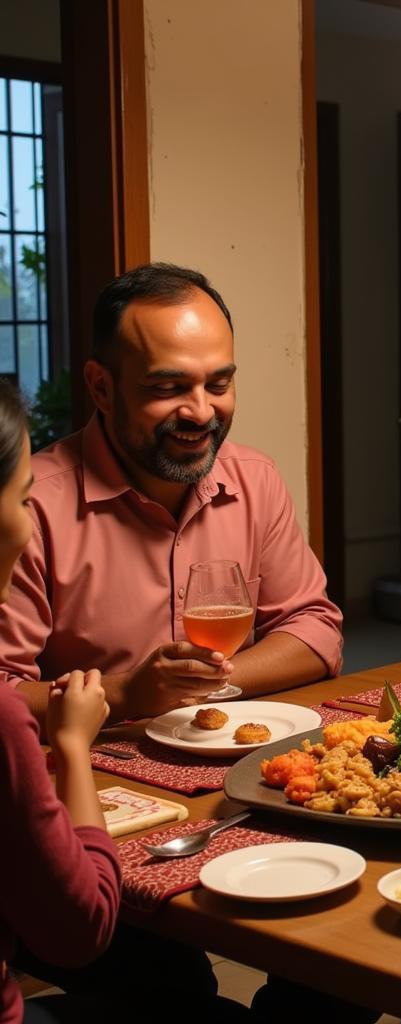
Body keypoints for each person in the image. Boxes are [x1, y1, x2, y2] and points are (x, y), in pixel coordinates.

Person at [0, 263, 343, 727]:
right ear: (101, 387)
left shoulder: (256, 479)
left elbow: (316, 631)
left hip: (236, 752)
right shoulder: (31, 506)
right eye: (168, 387)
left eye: (218, 385)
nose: (201, 412)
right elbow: (4, 692)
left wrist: (196, 687)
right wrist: (124, 694)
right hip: (100, 772)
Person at [0, 380, 121, 1024]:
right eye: (21, 498)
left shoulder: (254, 476)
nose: (28, 521)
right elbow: (83, 927)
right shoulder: (3, 717)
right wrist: (71, 746)